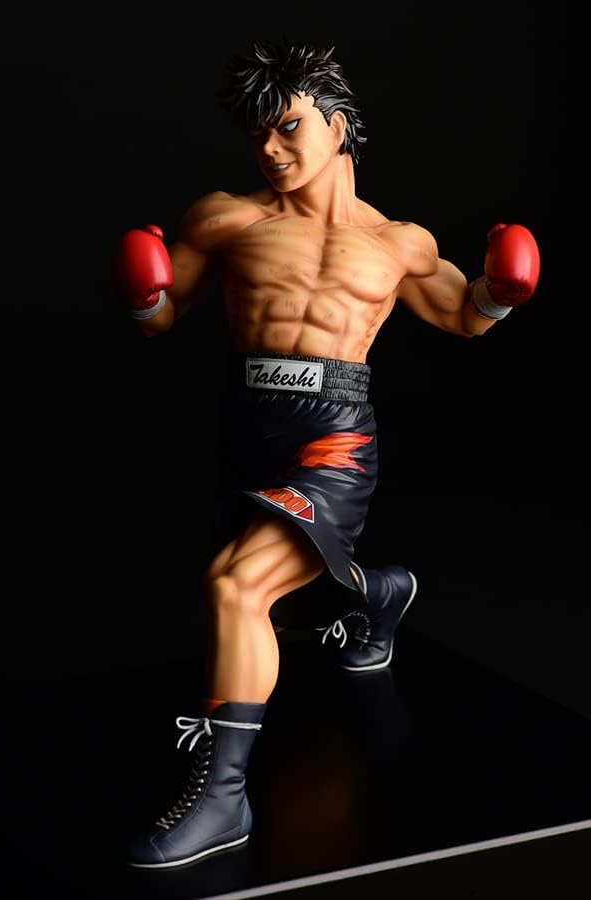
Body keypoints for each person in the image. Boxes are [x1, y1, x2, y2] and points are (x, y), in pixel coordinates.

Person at [114, 38, 540, 869]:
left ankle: (223, 800)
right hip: (250, 430)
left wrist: (502, 290)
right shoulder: (226, 219)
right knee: (273, 598)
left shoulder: (400, 243)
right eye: (257, 135)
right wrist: (142, 294)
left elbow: (462, 315)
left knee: (236, 587)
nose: (270, 150)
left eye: (288, 127)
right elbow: (163, 318)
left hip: (335, 436)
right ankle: (380, 595)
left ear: (338, 125)